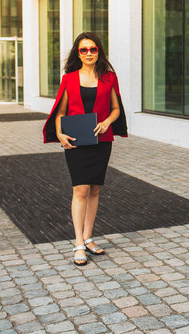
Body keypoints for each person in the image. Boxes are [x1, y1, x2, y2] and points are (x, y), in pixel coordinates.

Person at [43, 32, 127, 266]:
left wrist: (107, 122)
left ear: (99, 51)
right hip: (76, 139)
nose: (89, 53)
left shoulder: (109, 77)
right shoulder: (69, 78)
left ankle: (89, 237)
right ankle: (79, 242)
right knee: (80, 189)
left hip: (102, 140)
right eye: (83, 50)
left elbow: (115, 108)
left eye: (93, 49)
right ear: (77, 53)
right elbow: (60, 112)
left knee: (95, 190)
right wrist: (59, 133)